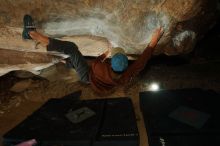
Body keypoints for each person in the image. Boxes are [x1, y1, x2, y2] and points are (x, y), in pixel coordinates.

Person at [22, 15, 163, 94]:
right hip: (99, 79)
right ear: (126, 66)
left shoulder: (101, 68)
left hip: (88, 76)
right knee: (75, 61)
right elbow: (142, 61)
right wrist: (154, 40)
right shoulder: (126, 76)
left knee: (72, 49)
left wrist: (104, 54)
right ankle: (63, 61)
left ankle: (31, 34)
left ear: (111, 60)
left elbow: (95, 63)